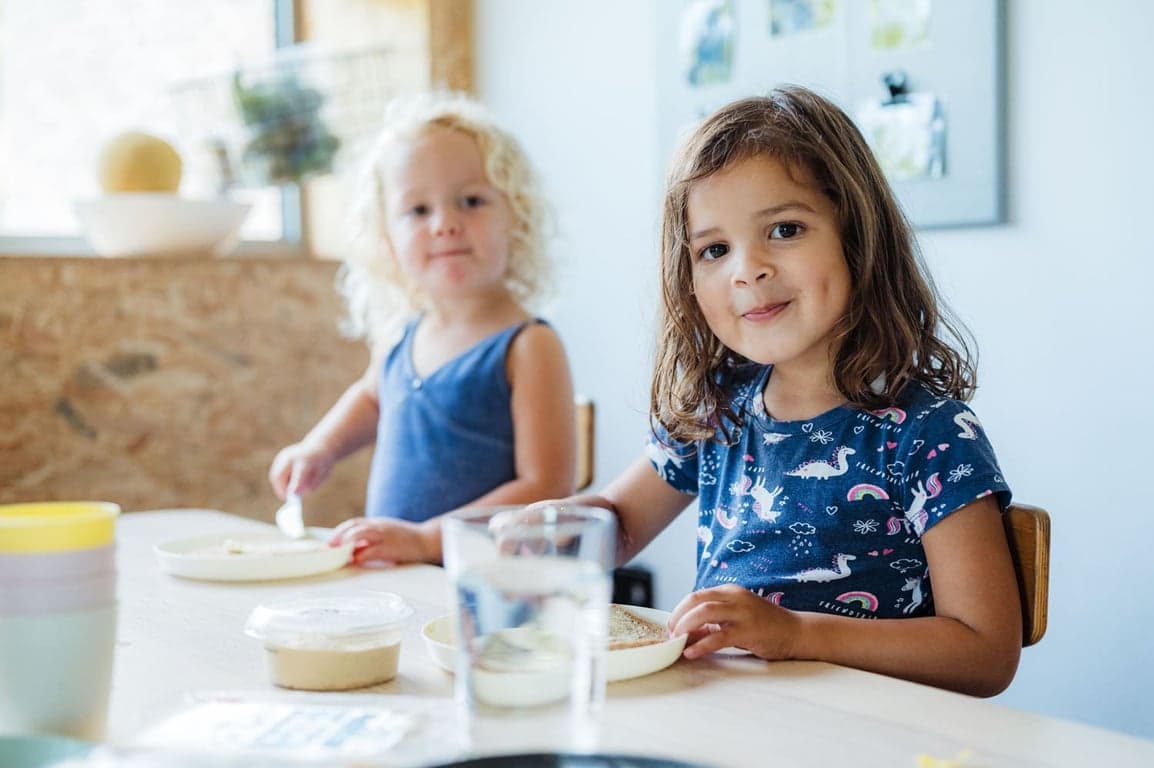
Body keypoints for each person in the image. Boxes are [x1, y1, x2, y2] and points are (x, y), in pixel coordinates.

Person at [566, 86, 1021, 697]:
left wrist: (797, 633)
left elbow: (985, 653)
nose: (746, 269)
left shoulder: (929, 434)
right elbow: (617, 528)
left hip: (864, 735)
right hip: (730, 722)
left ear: (857, 240)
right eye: (714, 249)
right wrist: (556, 530)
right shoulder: (717, 409)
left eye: (784, 228)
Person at [269, 92, 576, 565]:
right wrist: (319, 449)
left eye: (471, 201)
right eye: (417, 211)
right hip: (400, 579)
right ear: (386, 238)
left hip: (492, 595)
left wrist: (427, 539)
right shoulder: (401, 335)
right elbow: (372, 398)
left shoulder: (530, 345)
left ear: (515, 217)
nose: (445, 224)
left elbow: (547, 486)